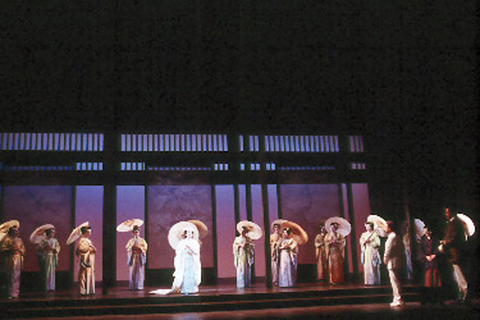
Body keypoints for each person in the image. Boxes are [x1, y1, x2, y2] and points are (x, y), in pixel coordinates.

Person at [440, 207, 468, 304]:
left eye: (447, 212)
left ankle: (465, 295)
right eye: (446, 212)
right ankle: (461, 295)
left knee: (460, 275)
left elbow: (454, 237)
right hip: (452, 254)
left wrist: (445, 242)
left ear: (452, 212)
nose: (446, 214)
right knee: (456, 275)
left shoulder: (455, 223)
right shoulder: (451, 223)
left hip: (456, 253)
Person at [172, 227, 201, 294]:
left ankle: (192, 288)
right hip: (184, 261)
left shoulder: (195, 242)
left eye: (191, 232)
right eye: (188, 232)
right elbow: (178, 251)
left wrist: (190, 250)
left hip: (192, 261)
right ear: (185, 234)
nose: (189, 234)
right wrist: (183, 250)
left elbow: (196, 252)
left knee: (191, 273)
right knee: (184, 273)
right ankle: (184, 288)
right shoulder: (182, 242)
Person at [417, 226, 442, 304]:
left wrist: (435, 254)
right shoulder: (422, 240)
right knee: (428, 281)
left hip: (435, 260)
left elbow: (438, 248)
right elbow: (420, 251)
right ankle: (428, 299)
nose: (427, 233)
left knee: (436, 280)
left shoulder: (435, 239)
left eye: (429, 231)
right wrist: (426, 256)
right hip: (427, 261)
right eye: (426, 231)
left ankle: (437, 299)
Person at [384, 220, 405, 307]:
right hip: (394, 261)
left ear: (389, 227)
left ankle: (398, 299)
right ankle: (396, 298)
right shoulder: (393, 236)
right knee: (395, 281)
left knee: (395, 281)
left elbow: (389, 250)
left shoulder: (392, 237)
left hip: (393, 262)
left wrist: (385, 259)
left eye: (386, 226)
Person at [0, 226, 25, 299]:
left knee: (17, 275)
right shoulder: (7, 240)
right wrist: (10, 249)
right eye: (15, 231)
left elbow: (23, 249)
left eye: (17, 231)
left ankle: (16, 292)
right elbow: (3, 249)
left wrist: (20, 249)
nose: (16, 233)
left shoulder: (19, 240)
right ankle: (9, 293)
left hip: (17, 258)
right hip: (10, 258)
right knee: (10, 275)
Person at [125, 225, 148, 290]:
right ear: (132, 233)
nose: (136, 233)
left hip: (139, 256)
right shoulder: (131, 241)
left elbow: (145, 248)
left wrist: (141, 248)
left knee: (140, 271)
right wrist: (132, 247)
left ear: (139, 232)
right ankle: (133, 286)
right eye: (135, 232)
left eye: (137, 232)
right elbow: (127, 248)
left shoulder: (142, 240)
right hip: (133, 256)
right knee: (132, 271)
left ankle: (139, 286)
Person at [38, 227, 60, 292]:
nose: (53, 234)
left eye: (53, 232)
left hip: (52, 256)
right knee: (46, 272)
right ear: (48, 233)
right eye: (51, 232)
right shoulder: (44, 240)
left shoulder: (55, 240)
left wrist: (55, 249)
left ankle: (51, 286)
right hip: (46, 256)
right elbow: (39, 248)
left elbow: (58, 247)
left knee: (52, 272)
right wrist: (45, 247)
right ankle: (46, 286)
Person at [76, 226, 96, 296]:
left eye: (90, 232)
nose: (89, 233)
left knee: (89, 273)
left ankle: (89, 289)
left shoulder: (88, 240)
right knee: (83, 275)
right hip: (84, 259)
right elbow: (81, 249)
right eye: (88, 232)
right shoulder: (81, 241)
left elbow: (94, 250)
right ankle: (83, 290)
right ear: (84, 233)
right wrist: (88, 248)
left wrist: (92, 248)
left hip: (90, 258)